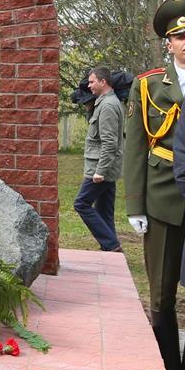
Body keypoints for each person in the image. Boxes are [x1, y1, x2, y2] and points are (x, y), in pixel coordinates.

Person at [125, 0, 185, 370]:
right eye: (179, 35)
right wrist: (135, 206)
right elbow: (134, 147)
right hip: (164, 198)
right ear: (168, 43)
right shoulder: (148, 84)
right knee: (163, 293)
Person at [73, 66, 124, 252]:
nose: (89, 85)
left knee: (81, 204)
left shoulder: (108, 106)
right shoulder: (104, 102)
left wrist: (100, 171)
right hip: (106, 167)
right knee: (104, 212)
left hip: (101, 168)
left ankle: (111, 245)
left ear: (103, 82)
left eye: (92, 81)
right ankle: (111, 250)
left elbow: (110, 143)